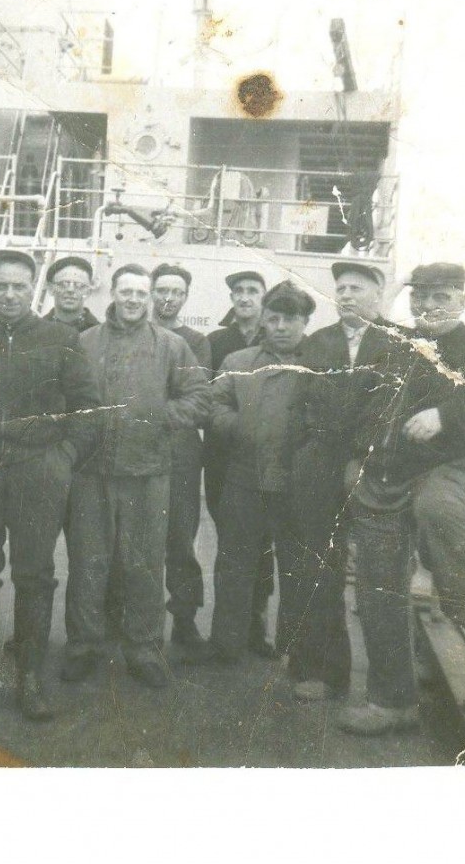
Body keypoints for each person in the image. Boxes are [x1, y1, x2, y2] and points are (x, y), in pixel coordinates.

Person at [338, 262, 465, 736]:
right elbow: (362, 400)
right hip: (383, 474)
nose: (429, 306)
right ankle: (392, 703)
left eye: (442, 297)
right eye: (421, 297)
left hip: (446, 468)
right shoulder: (394, 344)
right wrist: (355, 461)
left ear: (463, 299)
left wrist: (448, 412)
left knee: (437, 511)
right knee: (377, 590)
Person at [0, 249, 101, 721]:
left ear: (34, 290)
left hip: (37, 472)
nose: (10, 294)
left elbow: (87, 408)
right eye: (1, 285)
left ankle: (30, 677)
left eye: (19, 286)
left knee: (35, 574)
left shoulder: (61, 338)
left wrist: (61, 459)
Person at [63, 264, 209, 689]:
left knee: (144, 564)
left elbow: (199, 396)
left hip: (148, 471)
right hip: (91, 472)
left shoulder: (172, 345)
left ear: (148, 299)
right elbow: (64, 397)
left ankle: (144, 648)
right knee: (88, 562)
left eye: (139, 293)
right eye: (125, 291)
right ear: (111, 293)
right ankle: (82, 646)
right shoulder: (83, 343)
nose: (132, 299)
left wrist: (162, 417)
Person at [187, 281, 314, 665]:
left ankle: (296, 650)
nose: (280, 326)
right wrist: (238, 426)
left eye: (290, 319)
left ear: (305, 321)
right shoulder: (238, 362)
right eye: (272, 318)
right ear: (263, 319)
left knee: (296, 565)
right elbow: (214, 404)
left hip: (297, 481)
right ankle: (227, 644)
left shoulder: (321, 363)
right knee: (235, 561)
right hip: (245, 477)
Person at [286, 261, 393, 701]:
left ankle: (390, 689)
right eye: (341, 288)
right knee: (318, 565)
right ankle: (323, 671)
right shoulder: (318, 343)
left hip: (375, 466)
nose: (345, 295)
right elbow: (299, 406)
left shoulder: (400, 344)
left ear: (377, 295)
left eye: (356, 288)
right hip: (320, 465)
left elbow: (390, 405)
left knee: (381, 574)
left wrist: (362, 454)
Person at [205, 270, 279, 656]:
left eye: (253, 291)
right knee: (232, 545)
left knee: (264, 545)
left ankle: (256, 625)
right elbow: (209, 399)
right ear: (231, 298)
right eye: (239, 292)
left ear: (264, 299)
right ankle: (228, 632)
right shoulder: (217, 342)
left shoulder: (280, 343)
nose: (245, 297)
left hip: (266, 464)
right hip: (224, 462)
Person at [150, 262, 211, 646]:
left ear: (185, 297)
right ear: (152, 292)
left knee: (180, 536)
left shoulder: (195, 340)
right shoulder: (138, 335)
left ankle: (184, 618)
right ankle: (136, 621)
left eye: (176, 292)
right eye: (162, 290)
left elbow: (195, 393)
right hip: (140, 447)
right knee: (137, 537)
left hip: (181, 450)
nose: (168, 298)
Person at [43, 255, 101, 332]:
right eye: (63, 284)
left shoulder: (101, 334)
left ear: (88, 291)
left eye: (79, 285)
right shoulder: (34, 331)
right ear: (50, 288)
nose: (71, 290)